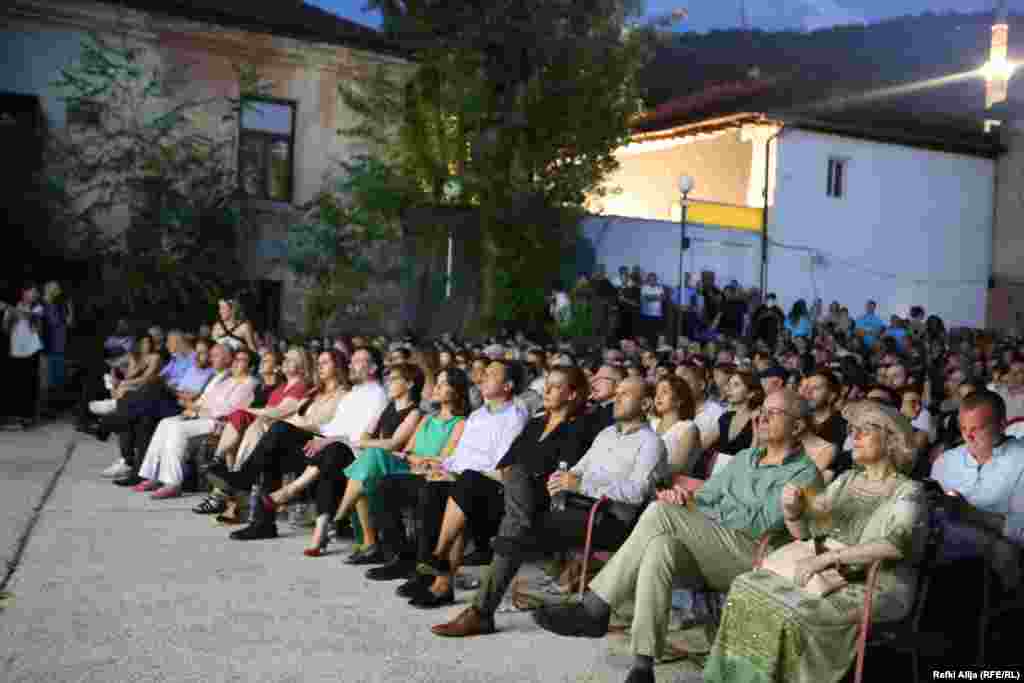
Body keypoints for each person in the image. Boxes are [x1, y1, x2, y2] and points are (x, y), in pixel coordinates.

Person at [531, 390, 822, 683]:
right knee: (660, 547)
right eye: (763, 410)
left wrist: (697, 512)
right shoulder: (745, 458)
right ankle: (642, 667)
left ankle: (596, 607)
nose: (762, 416)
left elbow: (760, 523)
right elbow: (706, 497)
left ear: (797, 427)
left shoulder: (806, 474)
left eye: (775, 413)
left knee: (661, 513)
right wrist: (684, 499)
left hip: (753, 555)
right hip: (713, 545)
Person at [703, 400, 925, 683]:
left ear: (892, 441)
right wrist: (792, 511)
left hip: (875, 584)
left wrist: (826, 558)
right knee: (745, 586)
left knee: (790, 613)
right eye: (852, 429)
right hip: (827, 574)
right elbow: (805, 532)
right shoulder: (847, 480)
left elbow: (894, 545)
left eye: (865, 430)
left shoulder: (908, 490)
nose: (853, 437)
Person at [432, 376, 669, 638]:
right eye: (618, 391)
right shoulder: (607, 434)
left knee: (516, 525)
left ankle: (480, 612)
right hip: (574, 509)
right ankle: (480, 611)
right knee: (517, 483)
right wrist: (561, 480)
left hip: (606, 520)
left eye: (626, 393)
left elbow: (636, 492)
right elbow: (578, 470)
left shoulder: (651, 443)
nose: (618, 397)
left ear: (646, 403)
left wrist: (580, 484)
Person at [411, 367, 590, 608]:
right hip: (506, 489)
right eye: (547, 384)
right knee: (450, 489)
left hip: (533, 500)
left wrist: (511, 472)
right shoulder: (536, 423)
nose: (546, 390)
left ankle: (439, 561)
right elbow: (508, 460)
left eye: (556, 386)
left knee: (468, 486)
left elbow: (553, 471)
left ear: (572, 394)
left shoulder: (577, 429)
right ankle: (440, 578)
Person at [363, 360, 528, 576]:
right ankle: (401, 557)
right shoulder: (478, 415)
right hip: (457, 474)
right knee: (385, 485)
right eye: (484, 373)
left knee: (431, 491)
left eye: (491, 374)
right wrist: (443, 465)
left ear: (508, 386)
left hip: (485, 485)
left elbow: (499, 464)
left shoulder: (514, 417)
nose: (483, 377)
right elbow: (459, 455)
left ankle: (428, 565)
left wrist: (453, 471)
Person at [221, 347, 388, 540]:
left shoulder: (377, 396)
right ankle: (261, 520)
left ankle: (248, 485)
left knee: (286, 437)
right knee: (278, 434)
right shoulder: (353, 394)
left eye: (359, 361)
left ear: (373, 368)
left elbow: (359, 439)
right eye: (352, 360)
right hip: (325, 446)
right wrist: (311, 434)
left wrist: (323, 440)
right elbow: (329, 428)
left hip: (345, 455)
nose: (352, 364)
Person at [323, 362, 426, 558]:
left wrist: (372, 444)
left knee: (369, 457)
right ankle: (362, 537)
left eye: (394, 379)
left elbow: (394, 443)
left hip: (400, 463)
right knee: (365, 471)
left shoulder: (414, 412)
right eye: (387, 379)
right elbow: (364, 436)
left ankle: (340, 517)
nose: (388, 383)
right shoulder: (386, 408)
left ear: (410, 384)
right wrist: (372, 444)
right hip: (379, 459)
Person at [191, 348, 310, 515]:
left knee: (252, 421)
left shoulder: (300, 386)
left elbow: (277, 413)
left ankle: (229, 486)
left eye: (291, 359)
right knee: (242, 417)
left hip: (282, 435)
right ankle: (221, 466)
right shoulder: (281, 388)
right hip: (266, 430)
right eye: (285, 358)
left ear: (302, 366)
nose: (285, 361)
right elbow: (268, 411)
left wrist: (251, 411)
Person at [133, 345, 256, 499]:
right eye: (236, 359)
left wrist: (199, 410)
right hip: (203, 416)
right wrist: (194, 409)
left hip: (220, 423)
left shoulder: (249, 383)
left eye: (242, 360)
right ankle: (153, 475)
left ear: (250, 365)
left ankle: (173, 483)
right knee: (166, 423)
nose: (237, 363)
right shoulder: (228, 380)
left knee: (178, 430)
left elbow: (228, 409)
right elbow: (207, 400)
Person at [931, 390, 1024, 589]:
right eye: (963, 428)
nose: (968, 437)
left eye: (978, 428)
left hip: (994, 558)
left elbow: (1020, 531)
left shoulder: (1020, 460)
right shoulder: (946, 461)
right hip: (940, 546)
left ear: (1002, 425)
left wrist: (972, 514)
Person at [2, 283, 44, 429]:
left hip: (32, 350)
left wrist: (10, 309)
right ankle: (17, 418)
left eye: (35, 293)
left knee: (30, 385)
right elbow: (6, 328)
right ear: (24, 293)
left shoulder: (37, 308)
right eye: (32, 292)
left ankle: (28, 418)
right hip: (16, 351)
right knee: (17, 385)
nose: (34, 295)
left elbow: (34, 321)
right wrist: (9, 316)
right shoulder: (14, 307)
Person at [651, 375, 701, 475]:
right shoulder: (652, 422)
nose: (658, 396)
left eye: (664, 392)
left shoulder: (688, 428)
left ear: (679, 400)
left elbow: (677, 467)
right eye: (657, 392)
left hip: (671, 484)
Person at [40, 281, 73, 412]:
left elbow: (69, 323)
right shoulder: (41, 304)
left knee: (57, 379)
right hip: (47, 347)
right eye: (56, 288)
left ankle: (54, 408)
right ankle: (43, 408)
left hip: (59, 346)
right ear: (48, 289)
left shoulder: (58, 305)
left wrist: (70, 309)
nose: (59, 290)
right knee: (45, 380)